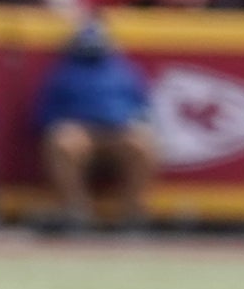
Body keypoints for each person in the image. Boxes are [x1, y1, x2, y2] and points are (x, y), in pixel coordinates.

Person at [36, 18, 157, 230]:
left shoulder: (125, 71)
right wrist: (65, 125)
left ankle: (132, 212)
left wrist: (135, 123)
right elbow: (45, 114)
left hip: (117, 131)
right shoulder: (63, 73)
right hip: (82, 132)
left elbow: (143, 107)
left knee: (142, 144)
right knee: (64, 142)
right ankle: (76, 210)